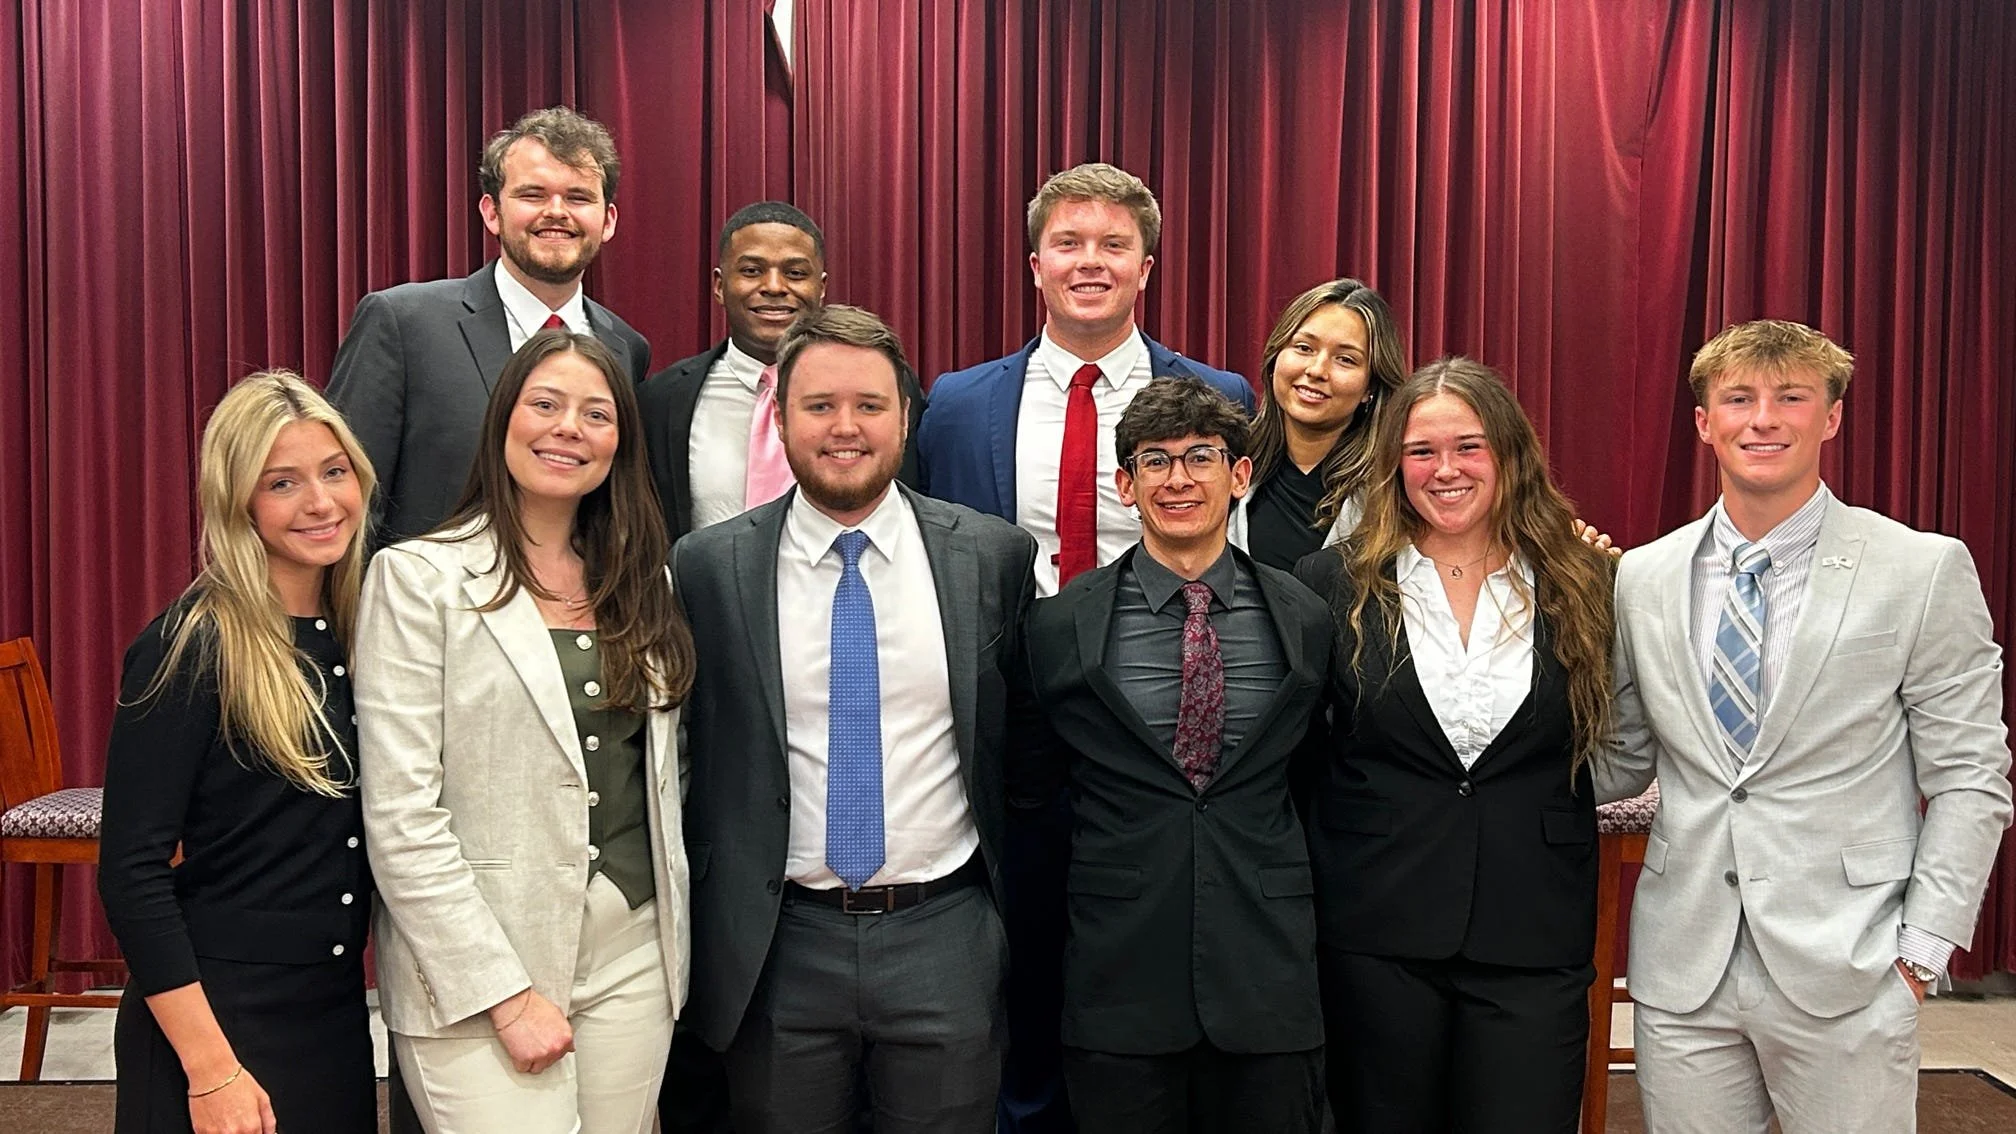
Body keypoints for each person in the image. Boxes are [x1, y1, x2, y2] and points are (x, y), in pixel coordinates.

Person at [1596, 319, 2013, 1133]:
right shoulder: (1640, 576)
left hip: (1852, 966)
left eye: (1791, 397)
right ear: (1703, 422)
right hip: (1684, 971)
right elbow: (1621, 758)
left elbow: (1970, 776)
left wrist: (1923, 950)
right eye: (1739, 399)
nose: (1763, 419)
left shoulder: (1922, 569)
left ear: (1831, 417)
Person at [915, 160, 1251, 1133]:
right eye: (1068, 243)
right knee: (1021, 958)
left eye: (1113, 244)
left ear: (1146, 266)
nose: (1089, 262)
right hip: (1010, 725)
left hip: (1163, 729)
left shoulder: (1215, 393)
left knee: (1142, 968)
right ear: (1035, 264)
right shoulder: (957, 404)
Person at [671, 304, 1037, 1133]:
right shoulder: (709, 567)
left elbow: (1023, 748)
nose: (845, 427)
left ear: (905, 417)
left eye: (869, 405)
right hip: (778, 943)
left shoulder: (991, 556)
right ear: (780, 419)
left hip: (945, 934)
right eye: (819, 405)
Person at [354, 329, 695, 1133]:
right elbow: (401, 816)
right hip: (481, 962)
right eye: (545, 404)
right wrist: (505, 996)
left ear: (621, 441)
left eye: (596, 414)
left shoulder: (646, 582)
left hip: (635, 951)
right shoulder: (416, 580)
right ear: (503, 418)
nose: (568, 428)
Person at [1294, 357, 1617, 1132]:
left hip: (1533, 927)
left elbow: (1615, 736)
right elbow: (1303, 757)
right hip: (1376, 927)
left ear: (1509, 453)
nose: (1446, 470)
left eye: (1469, 447)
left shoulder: (1587, 579)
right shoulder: (1333, 581)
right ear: (1394, 464)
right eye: (1422, 451)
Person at [1016, 377, 1330, 1133]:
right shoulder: (1058, 626)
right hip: (1117, 981)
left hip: (1268, 979)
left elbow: (1316, 777)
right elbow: (1032, 791)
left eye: (1201, 457)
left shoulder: (1306, 616)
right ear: (1126, 485)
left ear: (1240, 474)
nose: (1178, 479)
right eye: (1155, 461)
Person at [98, 369, 378, 1134]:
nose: (321, 503)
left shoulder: (366, 631)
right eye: (282, 483)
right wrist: (210, 1069)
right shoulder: (189, 644)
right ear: (238, 502)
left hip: (332, 1014)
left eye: (334, 471)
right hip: (216, 1023)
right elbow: (130, 873)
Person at [329, 106, 652, 546]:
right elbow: (347, 495)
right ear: (492, 212)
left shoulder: (626, 348)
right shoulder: (402, 324)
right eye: (533, 195)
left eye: (578, 198)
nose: (556, 212)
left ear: (608, 220)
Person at [638, 201, 926, 550]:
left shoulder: (888, 388)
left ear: (821, 287)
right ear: (719, 285)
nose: (774, 286)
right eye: (751, 270)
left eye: (795, 273)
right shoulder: (663, 400)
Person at [1232, 278, 1408, 570]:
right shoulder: (1227, 462)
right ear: (1275, 358)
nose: (1316, 370)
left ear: (1371, 386)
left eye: (1345, 360)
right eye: (1304, 348)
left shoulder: (1395, 486)